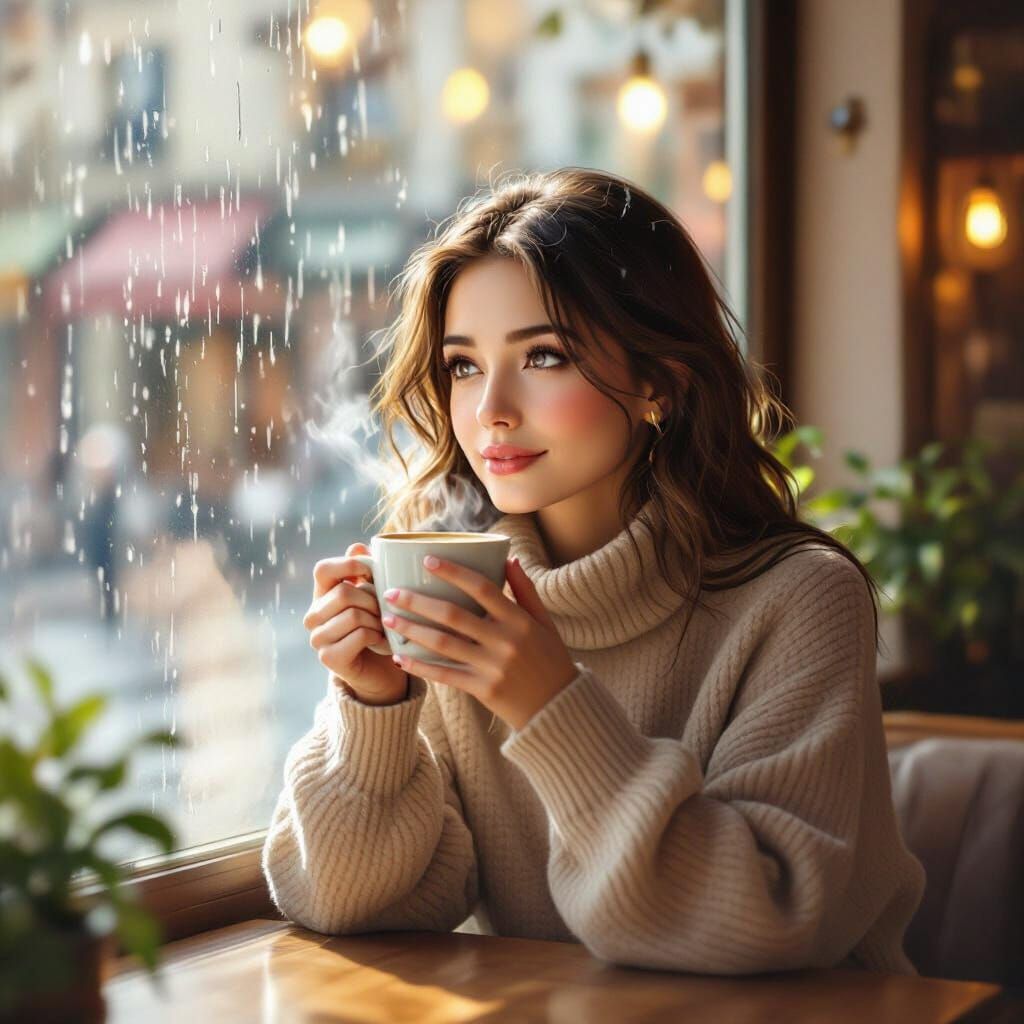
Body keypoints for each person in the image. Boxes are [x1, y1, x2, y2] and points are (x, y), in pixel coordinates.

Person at [261, 167, 925, 975]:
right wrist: (374, 708)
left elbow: (764, 919)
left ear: (659, 383)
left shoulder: (799, 598)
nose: (491, 409)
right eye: (463, 365)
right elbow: (344, 901)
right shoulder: (464, 590)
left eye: (543, 356)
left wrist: (548, 703)